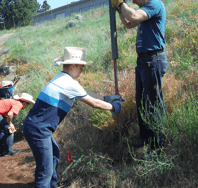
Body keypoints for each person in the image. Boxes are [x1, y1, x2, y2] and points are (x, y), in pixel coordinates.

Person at [23, 47, 123, 188]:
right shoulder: (68, 83)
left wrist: (106, 98)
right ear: (73, 66)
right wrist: (114, 107)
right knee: (45, 170)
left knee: (53, 156)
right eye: (81, 67)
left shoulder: (63, 79)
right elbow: (93, 103)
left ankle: (53, 185)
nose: (82, 70)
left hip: (36, 126)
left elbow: (83, 92)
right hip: (39, 129)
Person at [111, 0, 168, 153]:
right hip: (143, 61)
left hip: (153, 60)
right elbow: (129, 23)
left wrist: (121, 4)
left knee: (153, 105)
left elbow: (134, 15)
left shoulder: (154, 5)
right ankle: (145, 139)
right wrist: (120, 10)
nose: (133, 1)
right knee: (142, 104)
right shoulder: (144, 9)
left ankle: (157, 146)